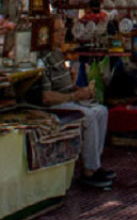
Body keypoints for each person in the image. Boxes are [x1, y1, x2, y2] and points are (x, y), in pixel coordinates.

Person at [36, 40, 114, 189]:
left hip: (68, 97)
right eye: (57, 32)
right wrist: (75, 96)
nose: (62, 35)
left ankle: (95, 163)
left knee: (101, 111)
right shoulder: (43, 59)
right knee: (88, 116)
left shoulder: (58, 54)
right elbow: (47, 97)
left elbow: (67, 86)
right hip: (56, 103)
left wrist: (81, 91)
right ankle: (89, 170)